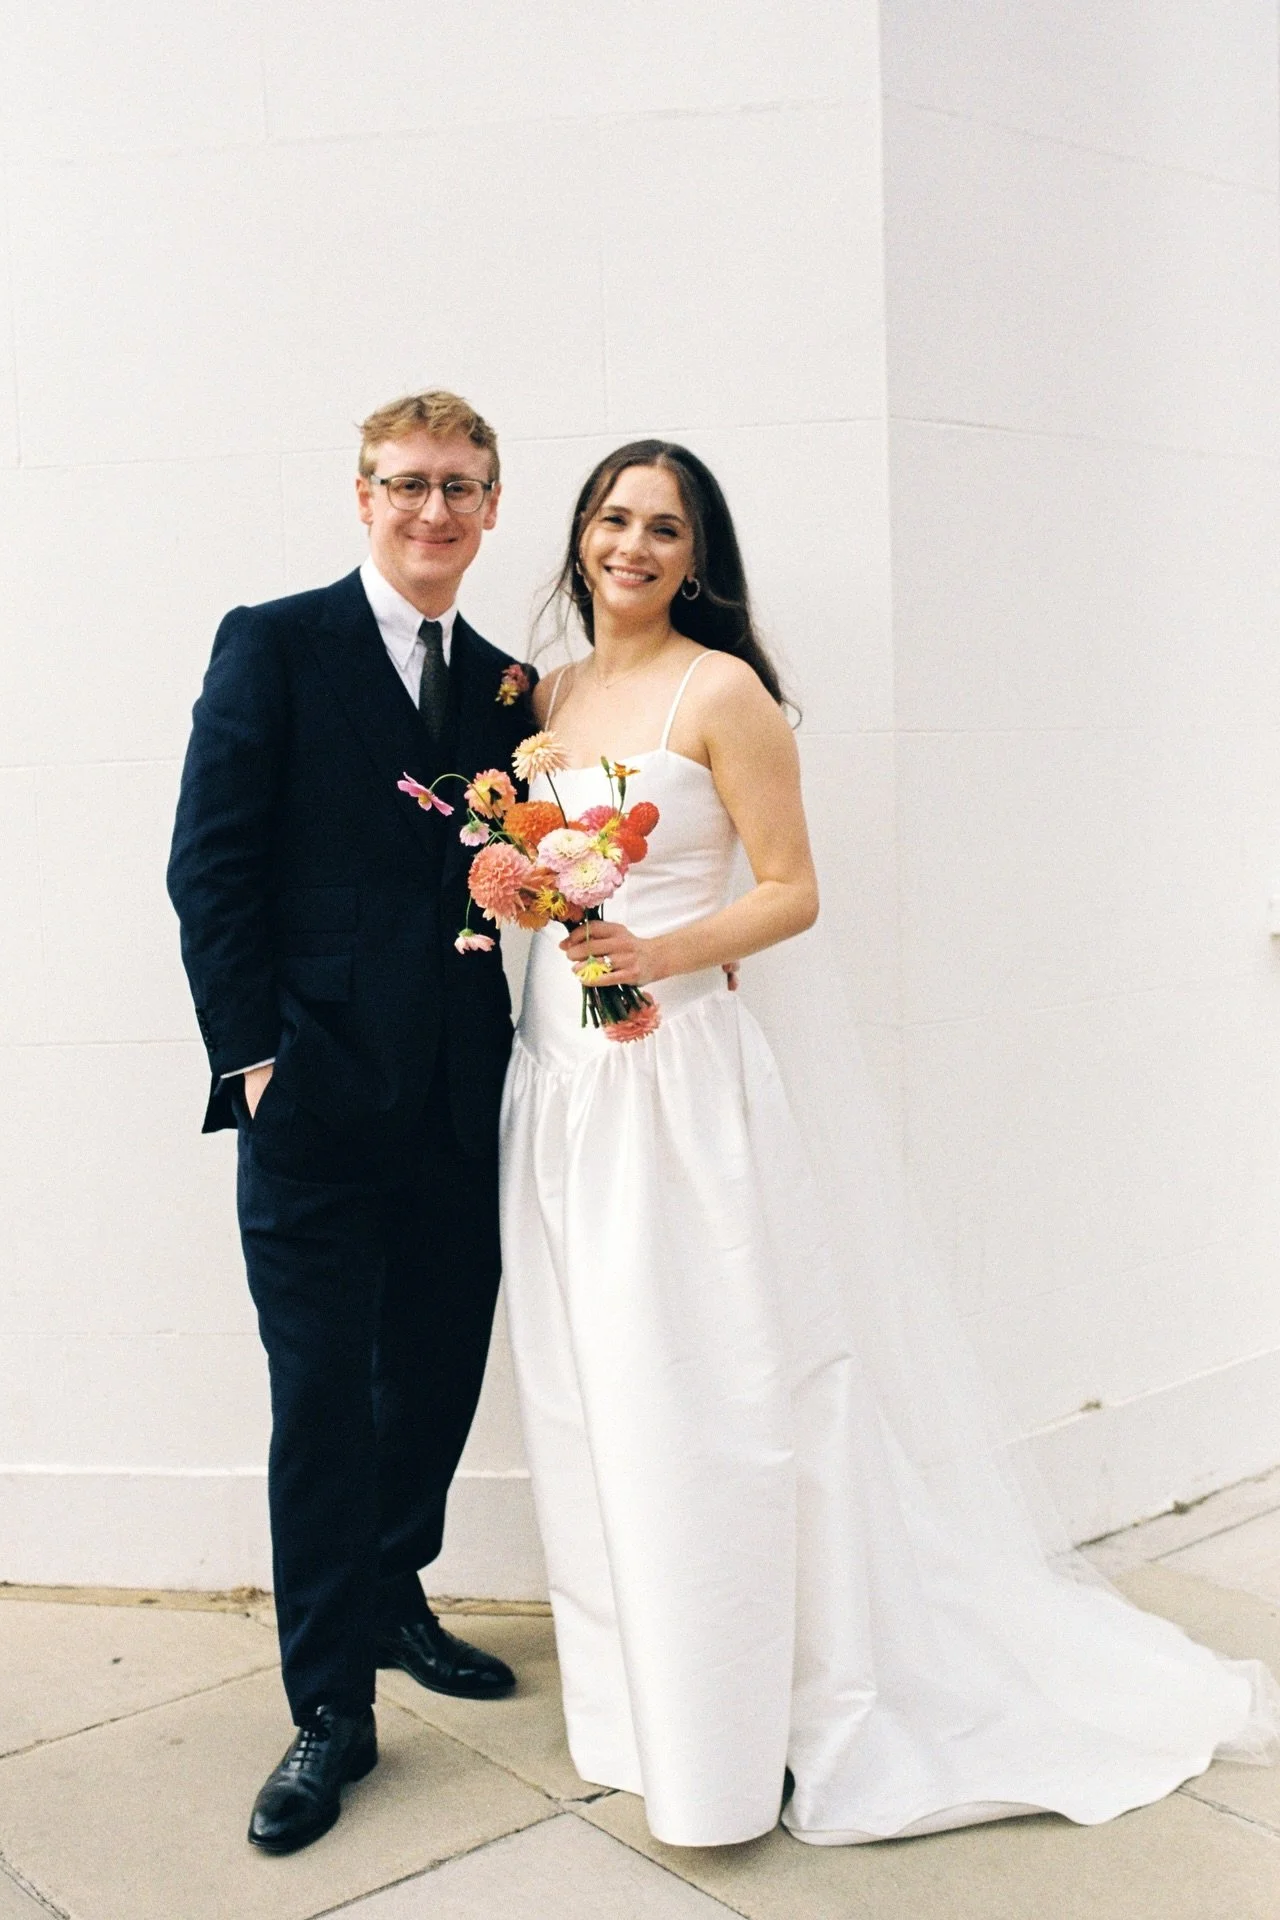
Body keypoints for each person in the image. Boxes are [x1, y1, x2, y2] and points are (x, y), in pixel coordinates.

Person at [500, 440, 1278, 1848]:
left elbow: (791, 892)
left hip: (678, 1083)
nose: (632, 545)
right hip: (561, 1078)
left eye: (663, 528)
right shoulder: (544, 695)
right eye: (612, 519)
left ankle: (762, 1715)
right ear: (579, 537)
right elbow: (525, 866)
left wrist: (659, 947)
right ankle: (648, 1710)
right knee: (593, 1391)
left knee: (720, 1396)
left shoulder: (720, 691)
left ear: (697, 555)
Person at [167, 391, 535, 1855]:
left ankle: (394, 1593)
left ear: (495, 507)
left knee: (435, 1375)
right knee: (322, 1405)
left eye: (461, 487)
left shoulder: (511, 687)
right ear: (362, 495)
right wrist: (254, 1066)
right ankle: (329, 1706)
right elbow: (212, 868)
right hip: (311, 1100)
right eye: (407, 484)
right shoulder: (275, 641)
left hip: (459, 1098)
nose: (433, 511)